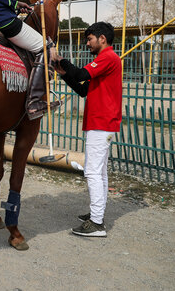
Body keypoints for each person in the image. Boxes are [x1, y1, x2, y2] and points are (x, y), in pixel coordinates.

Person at [50, 22, 122, 237]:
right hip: (101, 122)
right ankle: (96, 215)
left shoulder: (108, 57)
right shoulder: (105, 60)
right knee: (98, 171)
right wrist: (63, 72)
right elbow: (83, 89)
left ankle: (97, 223)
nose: (87, 43)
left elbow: (81, 74)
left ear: (102, 38)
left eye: (90, 39)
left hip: (102, 122)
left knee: (92, 171)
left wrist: (60, 59)